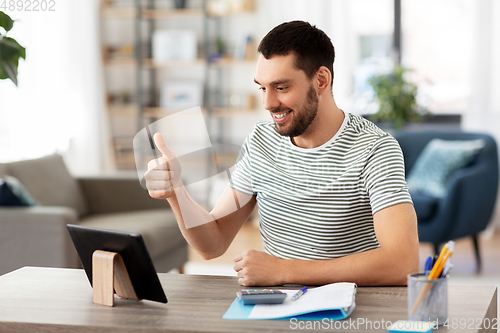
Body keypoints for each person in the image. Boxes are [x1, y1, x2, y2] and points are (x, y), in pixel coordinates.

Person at [145, 21, 419, 287]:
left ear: (321, 80)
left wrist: (285, 270)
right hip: (279, 308)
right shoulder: (261, 140)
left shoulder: (375, 149)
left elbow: (403, 261)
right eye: (262, 87)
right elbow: (213, 243)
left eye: (281, 87)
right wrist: (176, 192)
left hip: (351, 309)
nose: (268, 103)